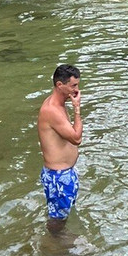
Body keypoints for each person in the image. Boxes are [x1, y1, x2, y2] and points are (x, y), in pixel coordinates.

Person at [37, 64, 83, 234]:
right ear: (59, 85)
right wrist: (77, 109)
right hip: (59, 177)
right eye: (73, 86)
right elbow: (76, 138)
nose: (77, 90)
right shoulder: (52, 110)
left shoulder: (59, 104)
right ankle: (53, 248)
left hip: (64, 173)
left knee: (62, 215)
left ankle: (59, 243)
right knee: (57, 221)